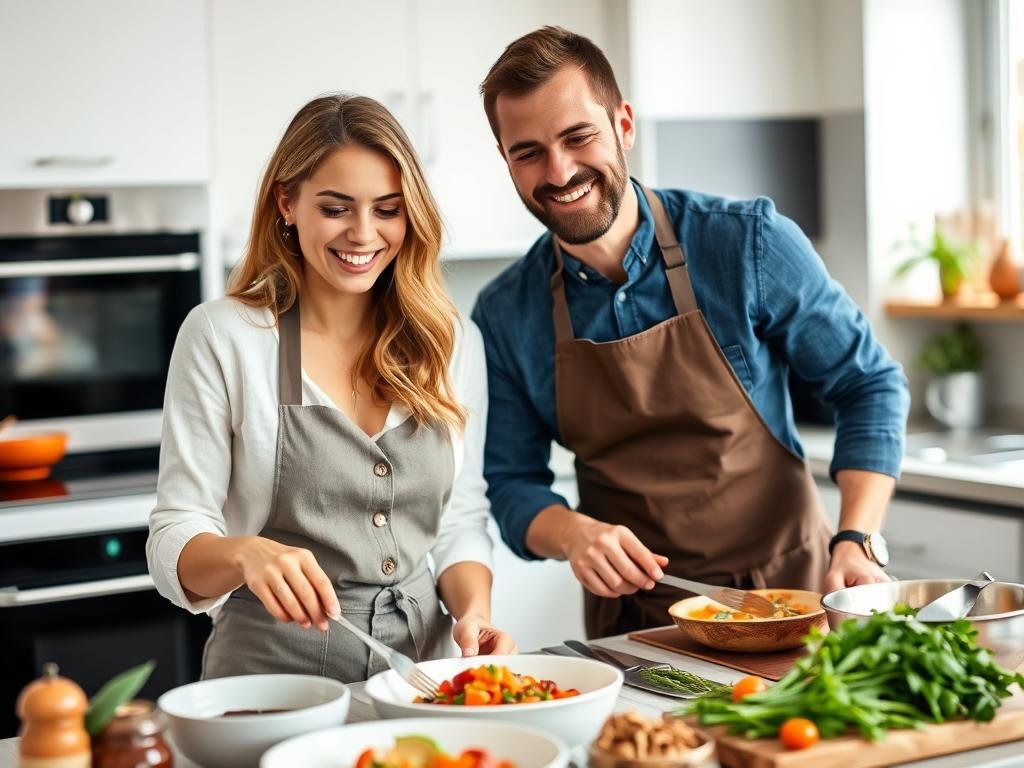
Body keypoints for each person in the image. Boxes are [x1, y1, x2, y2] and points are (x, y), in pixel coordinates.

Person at [471, 27, 910, 638]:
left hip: (793, 598)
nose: (560, 170)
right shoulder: (506, 313)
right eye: (529, 152)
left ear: (624, 125)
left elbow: (869, 384)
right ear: (506, 161)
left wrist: (857, 538)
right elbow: (512, 482)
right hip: (638, 627)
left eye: (578, 137)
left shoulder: (746, 242)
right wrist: (572, 533)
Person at [148, 94, 515, 681]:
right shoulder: (225, 336)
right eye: (336, 208)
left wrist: (474, 614)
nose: (363, 233)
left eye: (388, 209)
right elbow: (176, 534)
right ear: (287, 203)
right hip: (270, 683)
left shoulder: (450, 342)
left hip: (421, 677)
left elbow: (459, 518)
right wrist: (245, 553)